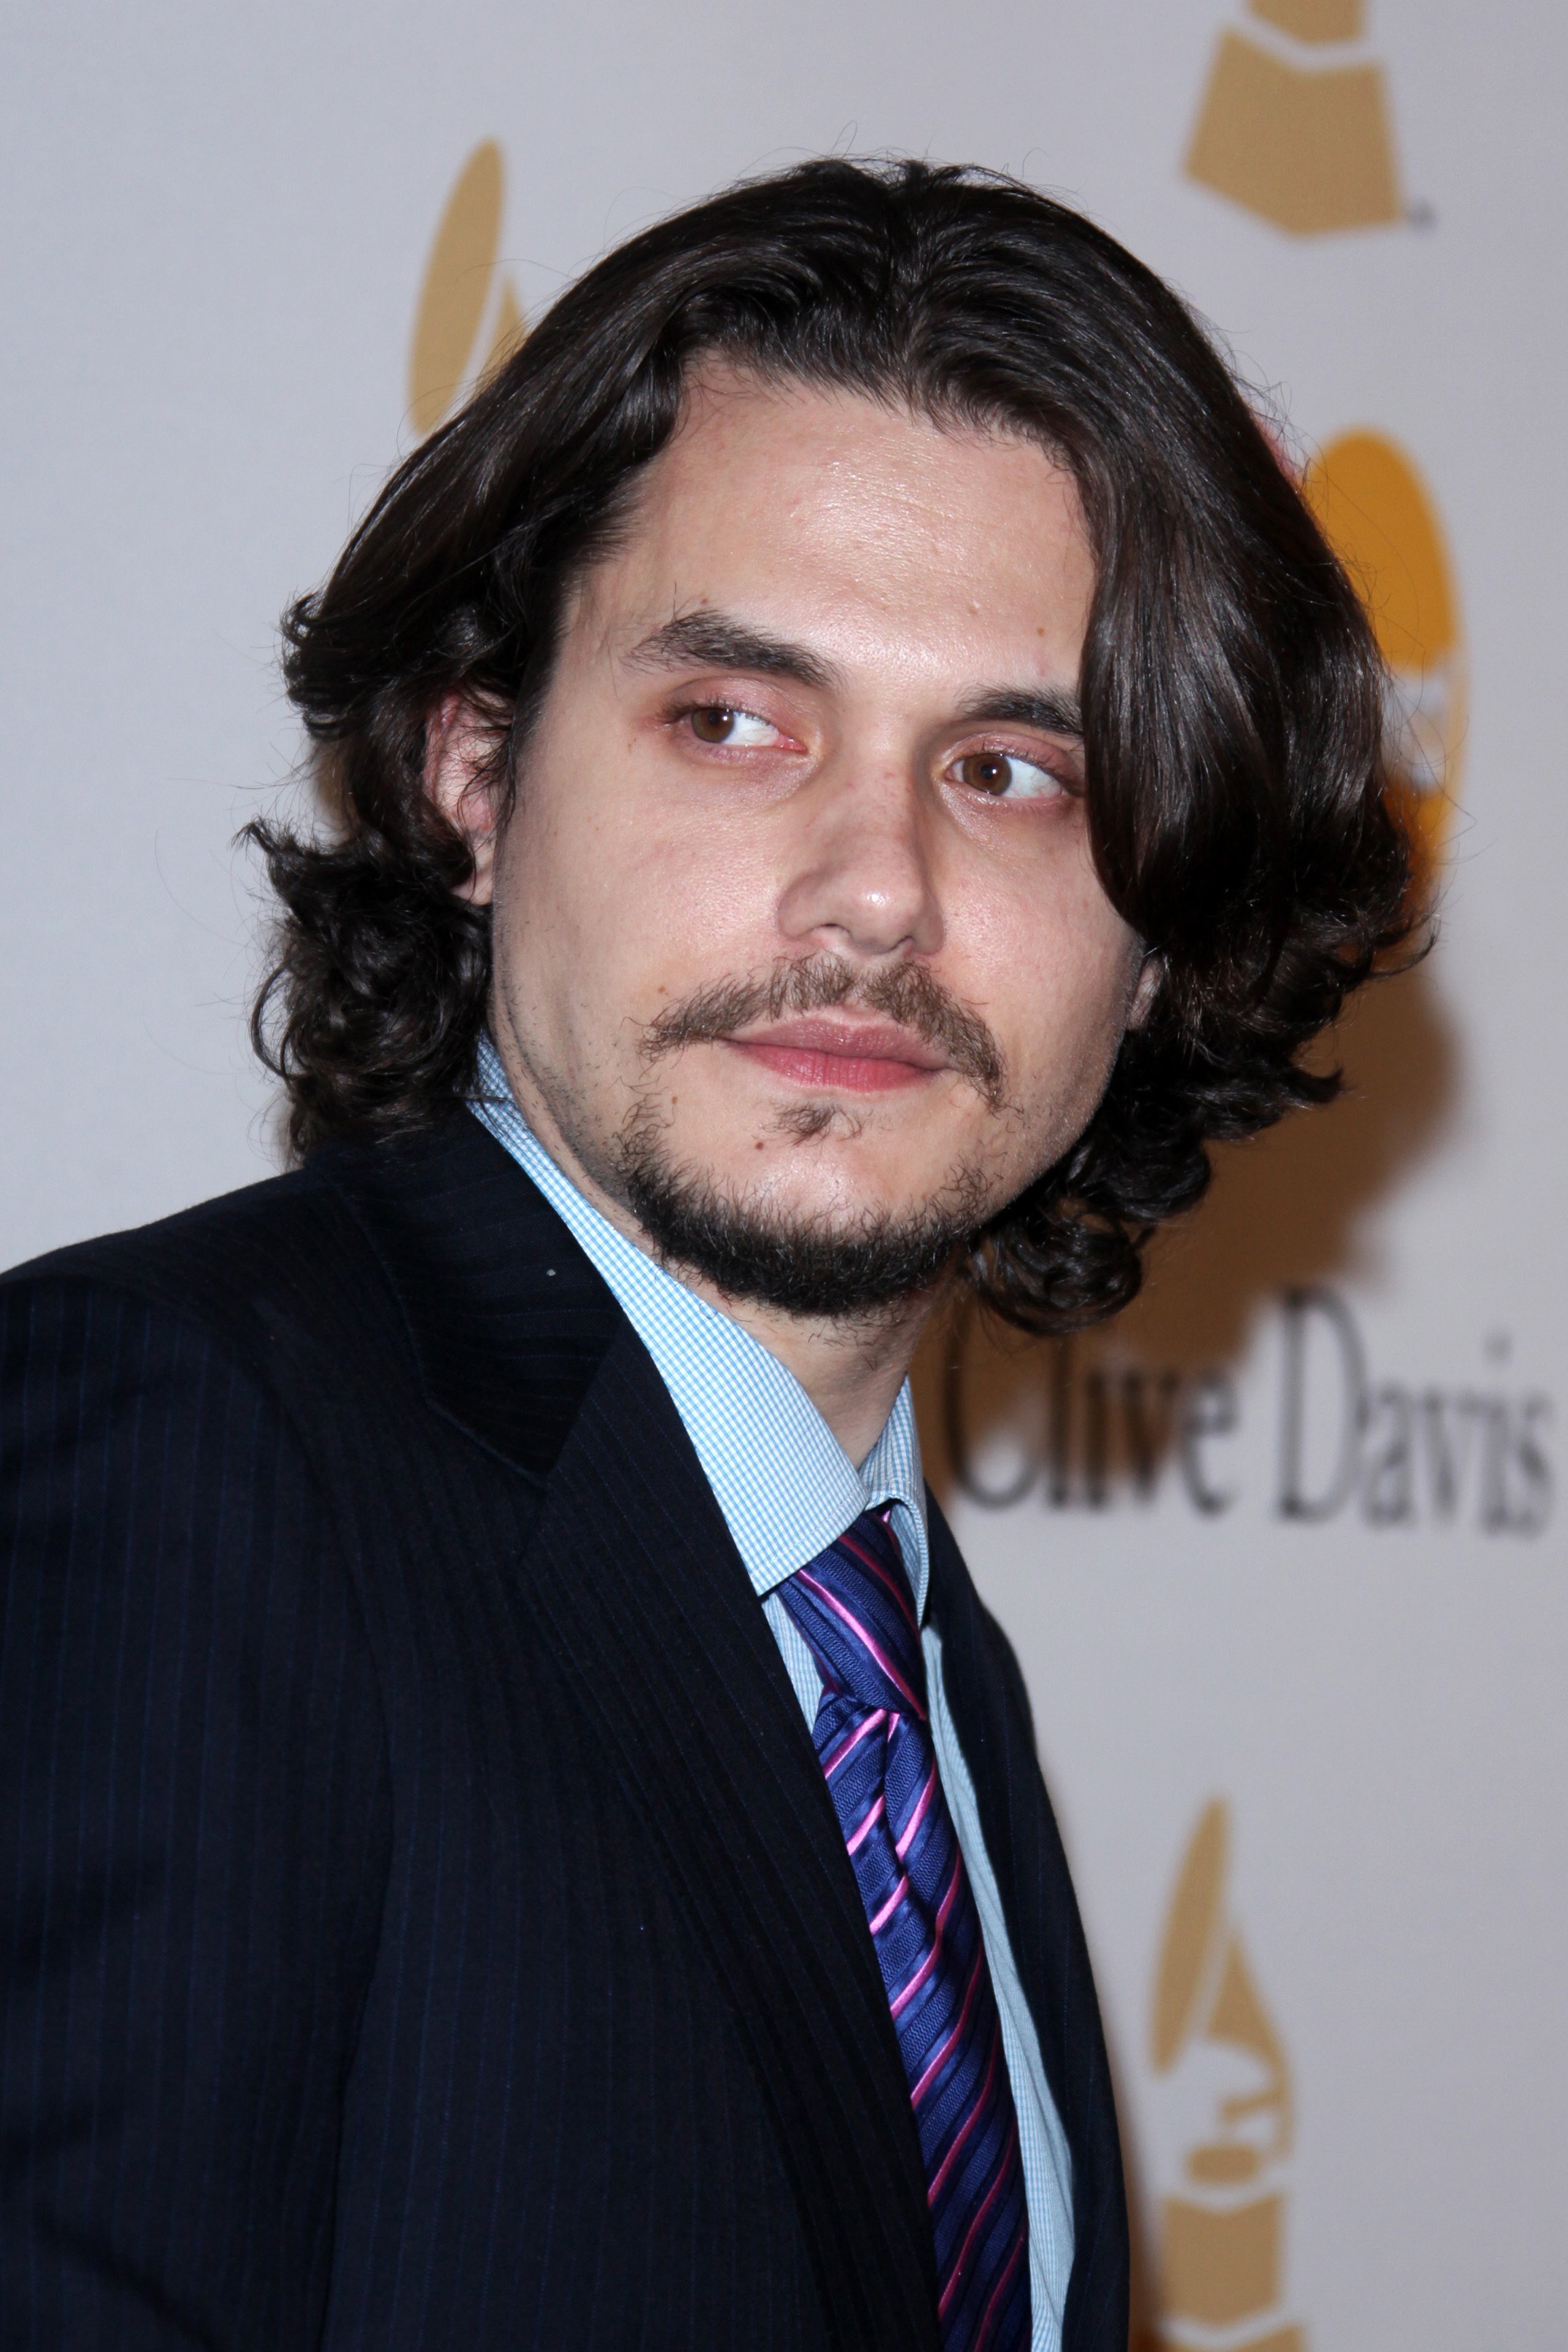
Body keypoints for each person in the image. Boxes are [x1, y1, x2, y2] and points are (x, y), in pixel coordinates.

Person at [0, 158, 1409, 2351]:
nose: (874, 888)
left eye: (1018, 769)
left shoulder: (919, 1670)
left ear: (1157, 938)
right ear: (478, 772)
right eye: (734, 724)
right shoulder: (180, 1454)